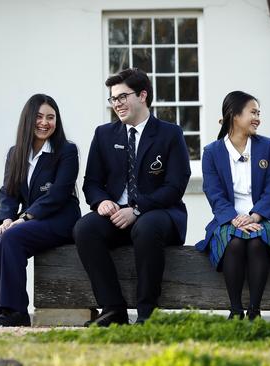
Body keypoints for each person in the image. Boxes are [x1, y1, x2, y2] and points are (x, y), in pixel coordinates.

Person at [73, 68, 191, 326]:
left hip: (160, 214)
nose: (117, 104)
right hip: (116, 214)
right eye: (113, 99)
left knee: (146, 228)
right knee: (85, 228)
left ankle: (147, 313)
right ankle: (113, 309)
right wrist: (101, 201)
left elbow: (175, 186)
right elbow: (91, 182)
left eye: (122, 97)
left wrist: (137, 209)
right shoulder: (104, 134)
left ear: (143, 95)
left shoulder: (170, 134)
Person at [196, 91, 270, 320]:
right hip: (228, 218)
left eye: (258, 113)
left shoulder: (267, 147)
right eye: (253, 112)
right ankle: (235, 310)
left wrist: (255, 216)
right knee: (234, 242)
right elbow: (213, 193)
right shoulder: (212, 152)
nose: (257, 118)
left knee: (256, 243)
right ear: (234, 115)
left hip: (264, 217)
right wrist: (234, 218)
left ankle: (254, 310)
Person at [0, 94, 80, 327]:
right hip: (29, 221)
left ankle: (16, 312)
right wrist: (6, 219)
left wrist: (23, 218)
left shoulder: (66, 151)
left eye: (51, 117)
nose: (45, 122)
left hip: (61, 218)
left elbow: (57, 195)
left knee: (13, 237)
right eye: (39, 116)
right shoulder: (16, 153)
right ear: (28, 119)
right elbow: (8, 193)